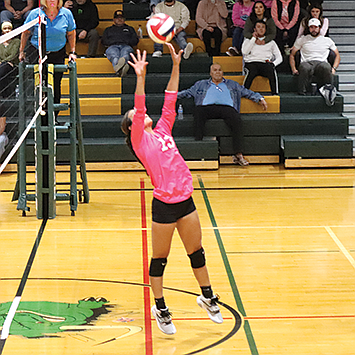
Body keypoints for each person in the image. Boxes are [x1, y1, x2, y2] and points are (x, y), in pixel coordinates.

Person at [121, 43, 223, 335]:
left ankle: (207, 295)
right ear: (132, 127)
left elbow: (169, 97)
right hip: (164, 205)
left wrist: (176, 65)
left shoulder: (164, 129)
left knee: (197, 253)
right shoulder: (140, 141)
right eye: (134, 117)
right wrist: (140, 77)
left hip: (185, 200)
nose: (138, 115)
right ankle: (160, 307)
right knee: (160, 259)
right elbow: (139, 108)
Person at [178, 62, 268, 166]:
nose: (217, 72)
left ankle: (238, 154)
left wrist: (260, 98)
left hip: (227, 108)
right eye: (215, 70)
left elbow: (247, 92)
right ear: (210, 73)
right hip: (206, 108)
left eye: (219, 70)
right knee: (198, 111)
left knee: (236, 118)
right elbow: (187, 92)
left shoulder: (232, 84)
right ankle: (199, 146)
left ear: (222, 72)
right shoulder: (200, 84)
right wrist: (171, 96)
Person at [19, 0, 76, 123]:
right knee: (40, 86)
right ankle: (39, 119)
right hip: (37, 53)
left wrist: (72, 52)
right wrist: (21, 51)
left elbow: (71, 33)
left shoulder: (66, 13)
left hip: (58, 53)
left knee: (55, 85)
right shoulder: (35, 13)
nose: (52, 1)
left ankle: (53, 118)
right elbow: (25, 33)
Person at [289, 18, 340, 106]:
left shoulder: (327, 40)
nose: (314, 29)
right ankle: (302, 95)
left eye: (316, 27)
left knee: (326, 67)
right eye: (311, 27)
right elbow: (292, 55)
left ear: (320, 28)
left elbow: (337, 55)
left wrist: (334, 68)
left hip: (321, 62)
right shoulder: (302, 39)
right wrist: (293, 69)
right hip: (307, 62)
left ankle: (329, 93)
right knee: (304, 67)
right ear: (308, 28)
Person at [242, 20, 282, 95]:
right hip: (251, 63)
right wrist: (253, 38)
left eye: (263, 27)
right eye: (258, 27)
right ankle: (243, 92)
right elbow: (244, 52)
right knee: (251, 72)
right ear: (254, 29)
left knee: (271, 70)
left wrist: (273, 64)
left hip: (264, 63)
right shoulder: (248, 40)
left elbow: (279, 57)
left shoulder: (271, 42)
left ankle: (274, 93)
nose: (261, 29)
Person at [101, 10, 138, 77]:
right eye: (117, 18)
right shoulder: (108, 30)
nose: (119, 19)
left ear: (124, 19)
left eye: (121, 18)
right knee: (114, 56)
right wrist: (114, 41)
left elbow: (135, 41)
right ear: (114, 19)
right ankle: (121, 70)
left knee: (125, 55)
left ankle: (118, 70)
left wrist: (125, 41)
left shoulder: (130, 29)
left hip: (126, 46)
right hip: (112, 46)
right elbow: (104, 41)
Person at [0, 21, 20, 97]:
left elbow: (13, 55)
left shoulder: (17, 41)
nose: (7, 30)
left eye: (9, 28)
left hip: (13, 65)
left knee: (5, 66)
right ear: (2, 30)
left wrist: (3, 61)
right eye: (5, 28)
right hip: (2, 65)